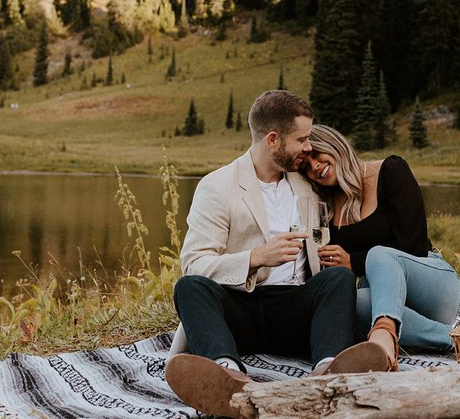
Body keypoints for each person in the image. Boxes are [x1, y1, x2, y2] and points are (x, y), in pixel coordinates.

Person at [165, 91, 390, 418]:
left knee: (338, 278)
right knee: (189, 287)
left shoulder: (306, 184)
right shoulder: (217, 187)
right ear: (273, 139)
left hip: (296, 310)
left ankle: (327, 369)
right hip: (240, 308)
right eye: (301, 139)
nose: (308, 147)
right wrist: (255, 258)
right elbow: (195, 264)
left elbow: (349, 187)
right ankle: (227, 375)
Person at [302, 124, 460, 370]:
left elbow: (414, 245)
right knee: (345, 305)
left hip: (431, 285)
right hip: (388, 301)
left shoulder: (390, 170)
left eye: (316, 154)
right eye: (306, 166)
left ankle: (384, 332)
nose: (314, 166)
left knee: (380, 254)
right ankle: (456, 339)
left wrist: (353, 262)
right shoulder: (325, 203)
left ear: (334, 144)